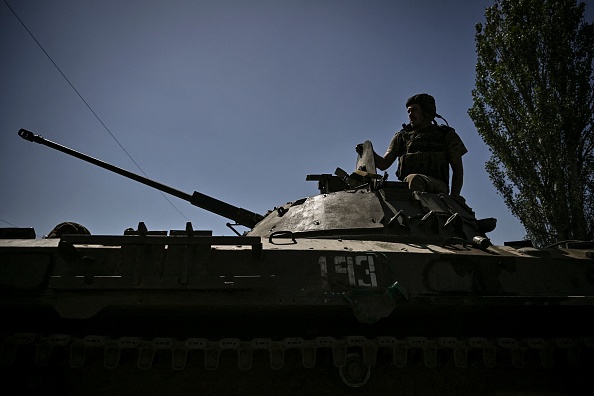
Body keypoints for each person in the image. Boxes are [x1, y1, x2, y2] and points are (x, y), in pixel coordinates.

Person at [357, 93, 467, 197]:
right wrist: (368, 153)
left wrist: (454, 196)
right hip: (408, 185)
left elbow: (457, 169)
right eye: (408, 111)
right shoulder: (402, 137)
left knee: (414, 179)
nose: (410, 115)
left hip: (437, 187)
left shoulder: (445, 135)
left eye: (414, 110)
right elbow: (383, 164)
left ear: (426, 112)